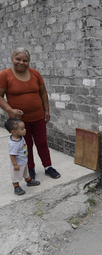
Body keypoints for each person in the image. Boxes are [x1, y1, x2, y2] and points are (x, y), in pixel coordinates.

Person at [0, 47, 61, 180]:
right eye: (18, 59)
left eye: (25, 60)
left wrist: (47, 110)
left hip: (38, 116)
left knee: (42, 142)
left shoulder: (35, 73)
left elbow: (43, 93)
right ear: (12, 59)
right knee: (25, 145)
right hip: (19, 122)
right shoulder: (5, 75)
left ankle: (48, 167)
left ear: (29, 62)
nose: (21, 62)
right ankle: (30, 169)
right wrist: (10, 110)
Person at [4, 118, 40, 195]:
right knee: (16, 177)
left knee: (26, 173)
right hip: (18, 164)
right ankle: (16, 187)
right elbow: (12, 155)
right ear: (14, 132)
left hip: (23, 161)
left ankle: (29, 181)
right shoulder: (13, 144)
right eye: (22, 129)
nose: (25, 130)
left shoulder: (20, 136)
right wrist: (15, 164)